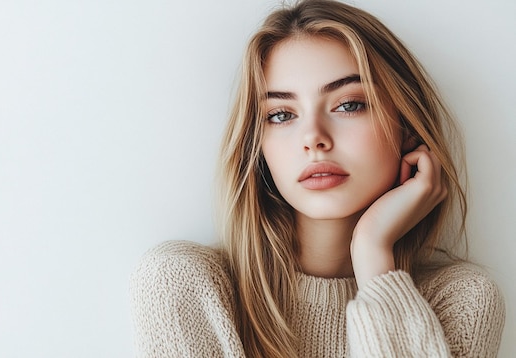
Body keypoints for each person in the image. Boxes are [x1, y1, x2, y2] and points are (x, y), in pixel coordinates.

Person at [130, 0, 505, 357]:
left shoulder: (462, 300)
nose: (313, 138)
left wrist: (374, 254)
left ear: (406, 127)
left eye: (349, 105)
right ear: (256, 146)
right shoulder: (184, 283)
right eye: (281, 115)